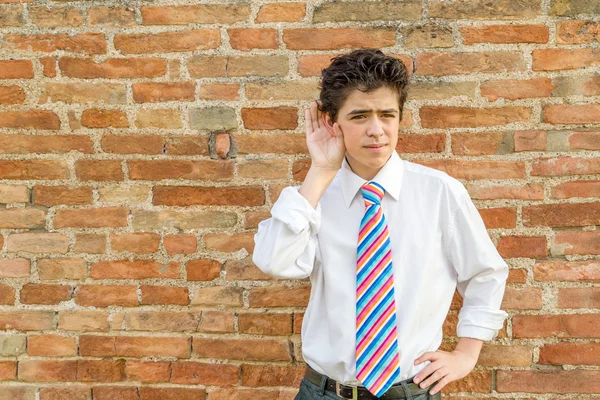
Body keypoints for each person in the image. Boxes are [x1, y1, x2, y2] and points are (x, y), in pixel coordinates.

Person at [252, 49, 508, 400]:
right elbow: (274, 261)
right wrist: (320, 173)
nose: (376, 130)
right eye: (359, 116)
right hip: (324, 392)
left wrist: (466, 353)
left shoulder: (439, 192)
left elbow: (485, 273)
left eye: (387, 114)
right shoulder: (311, 199)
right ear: (332, 121)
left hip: (409, 392)